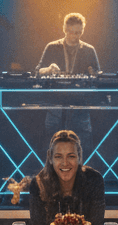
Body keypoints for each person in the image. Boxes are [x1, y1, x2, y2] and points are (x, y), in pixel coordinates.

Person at [27, 129, 106, 225]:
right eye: (58, 157)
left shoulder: (94, 179)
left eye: (71, 156)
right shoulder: (38, 184)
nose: (65, 163)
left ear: (79, 157)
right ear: (50, 158)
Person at [36, 12, 101, 152]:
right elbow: (37, 73)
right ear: (65, 30)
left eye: (78, 32)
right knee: (52, 148)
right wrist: (48, 70)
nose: (74, 36)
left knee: (83, 148)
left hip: (80, 107)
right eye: (71, 32)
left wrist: (92, 76)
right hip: (55, 106)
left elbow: (97, 77)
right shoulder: (52, 47)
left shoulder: (89, 50)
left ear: (82, 31)